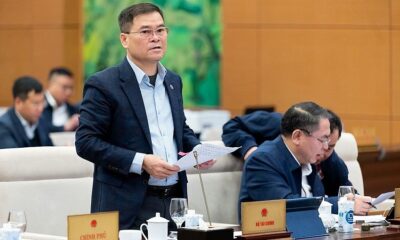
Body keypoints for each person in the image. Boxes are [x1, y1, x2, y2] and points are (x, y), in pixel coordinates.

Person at [75, 3, 214, 231]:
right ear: (124, 39)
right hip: (127, 204)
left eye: (160, 30)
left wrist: (198, 151)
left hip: (174, 201)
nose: (155, 38)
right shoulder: (103, 84)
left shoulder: (173, 81)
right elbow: (86, 143)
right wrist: (141, 162)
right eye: (146, 31)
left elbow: (180, 130)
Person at [223, 109, 372, 215]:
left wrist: (354, 201)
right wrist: (342, 204)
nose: (325, 148)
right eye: (322, 139)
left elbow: (335, 192)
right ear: (297, 137)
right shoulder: (262, 160)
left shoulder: (311, 157)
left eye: (329, 142)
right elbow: (286, 206)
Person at [0, 76, 53, 148]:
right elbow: (14, 157)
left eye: (42, 103)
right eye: (36, 103)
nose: (41, 108)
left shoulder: (41, 120)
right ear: (18, 102)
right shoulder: (3, 126)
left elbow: (50, 149)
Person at [41, 67, 79, 132]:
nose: (69, 92)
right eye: (65, 87)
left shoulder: (73, 110)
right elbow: (38, 128)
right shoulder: (38, 105)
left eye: (71, 88)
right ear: (51, 84)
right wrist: (64, 128)